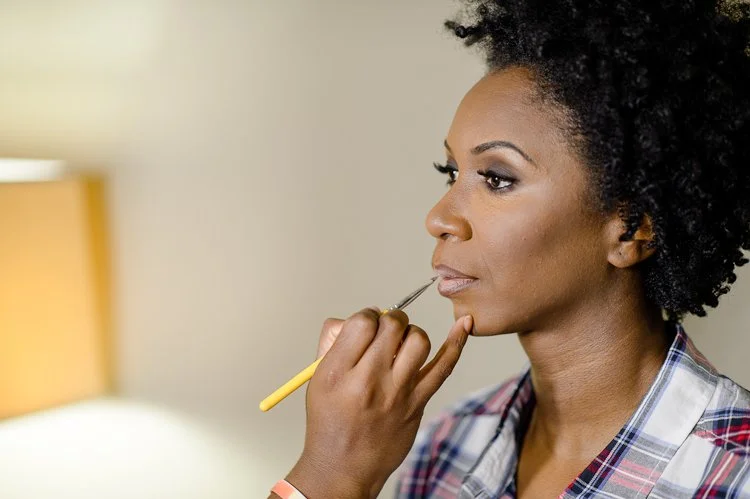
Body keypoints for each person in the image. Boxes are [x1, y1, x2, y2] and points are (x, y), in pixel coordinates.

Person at [268, 1, 750, 497]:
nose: (438, 219)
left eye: (497, 178)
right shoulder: (443, 450)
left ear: (630, 230)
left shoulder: (736, 474)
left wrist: (333, 471)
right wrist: (334, 470)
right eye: (451, 173)